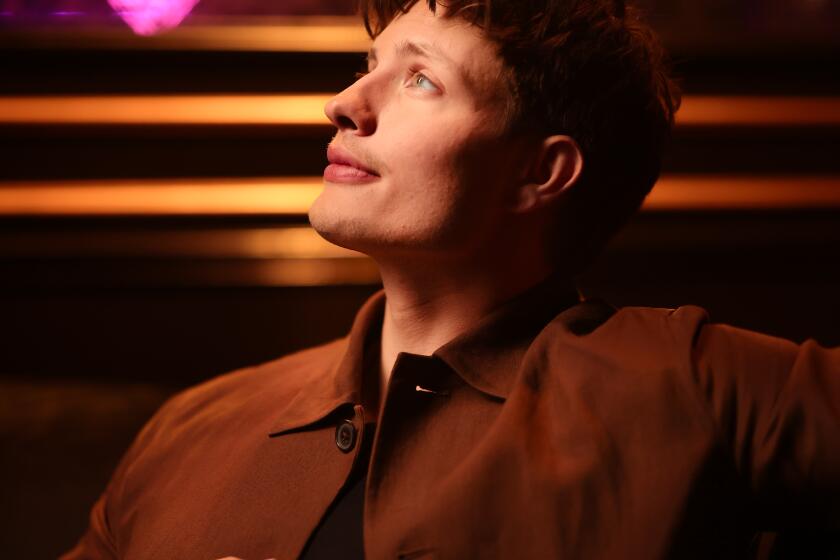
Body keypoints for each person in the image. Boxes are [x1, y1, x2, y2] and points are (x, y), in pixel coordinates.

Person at [64, 0, 840, 558]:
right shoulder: (195, 424)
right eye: (369, 69)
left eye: (420, 81)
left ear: (541, 172)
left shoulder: (691, 382)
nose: (343, 105)